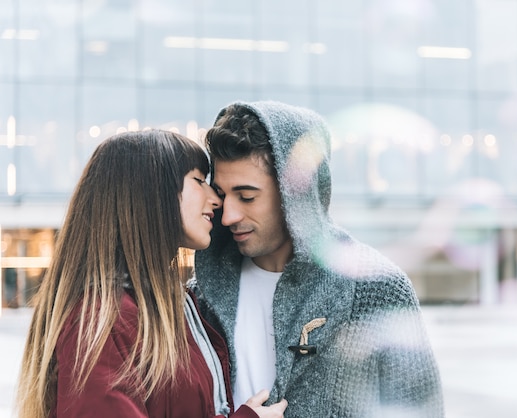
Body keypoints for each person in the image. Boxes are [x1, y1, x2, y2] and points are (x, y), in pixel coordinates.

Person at [190, 101, 445, 417]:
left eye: (247, 197)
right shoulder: (199, 297)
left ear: (295, 193)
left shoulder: (376, 287)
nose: (228, 215)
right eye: (222, 194)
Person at [15, 130, 288, 418]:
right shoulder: (105, 319)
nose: (216, 200)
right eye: (198, 181)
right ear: (152, 193)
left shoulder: (160, 306)